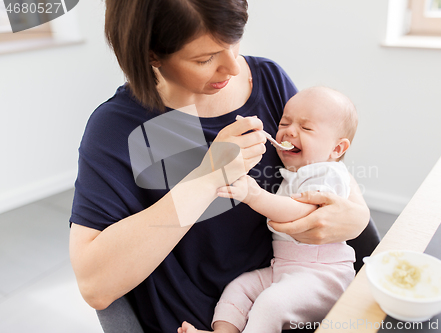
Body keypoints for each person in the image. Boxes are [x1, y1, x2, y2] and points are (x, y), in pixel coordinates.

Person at [69, 1, 370, 332]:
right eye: (205, 58)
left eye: (234, 41)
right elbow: (95, 286)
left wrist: (358, 217)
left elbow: (326, 165)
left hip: (293, 299)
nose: (234, 67)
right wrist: (208, 176)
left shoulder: (268, 80)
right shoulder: (118, 128)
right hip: (196, 320)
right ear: (152, 54)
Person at [178, 87, 358, 333]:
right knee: (238, 288)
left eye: (306, 128)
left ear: (337, 149)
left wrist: (255, 195)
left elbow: (303, 214)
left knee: (270, 303)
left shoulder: (328, 174)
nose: (289, 131)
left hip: (324, 276)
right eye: (284, 123)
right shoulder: (293, 173)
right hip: (284, 267)